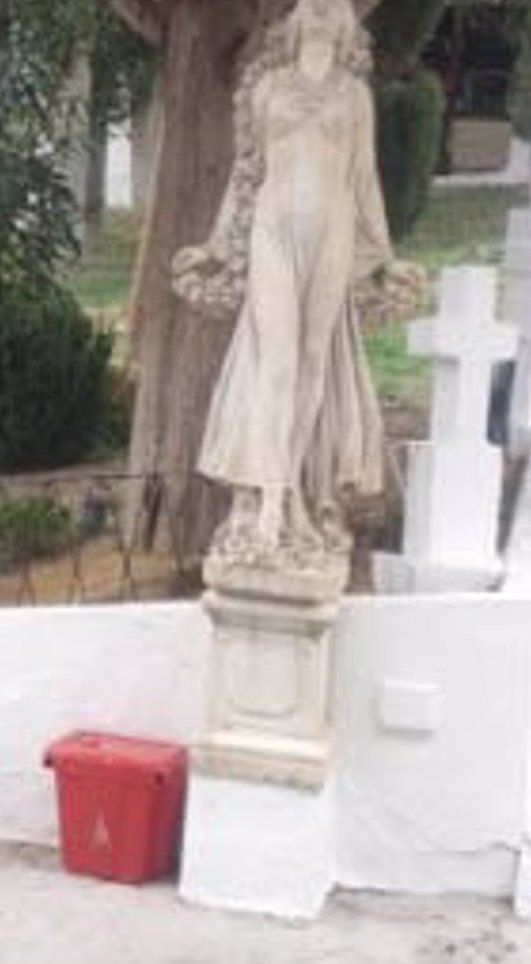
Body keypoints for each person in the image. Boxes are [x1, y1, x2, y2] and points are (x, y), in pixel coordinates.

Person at [173, 0, 391, 571]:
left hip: (334, 232)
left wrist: (385, 257)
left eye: (332, 5)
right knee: (277, 363)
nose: (321, 9)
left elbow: (365, 179)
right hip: (271, 229)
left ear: (348, 24)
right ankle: (270, 499)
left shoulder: (355, 96)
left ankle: (290, 484)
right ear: (292, 20)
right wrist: (219, 245)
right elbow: (245, 176)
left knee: (314, 360)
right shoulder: (267, 88)